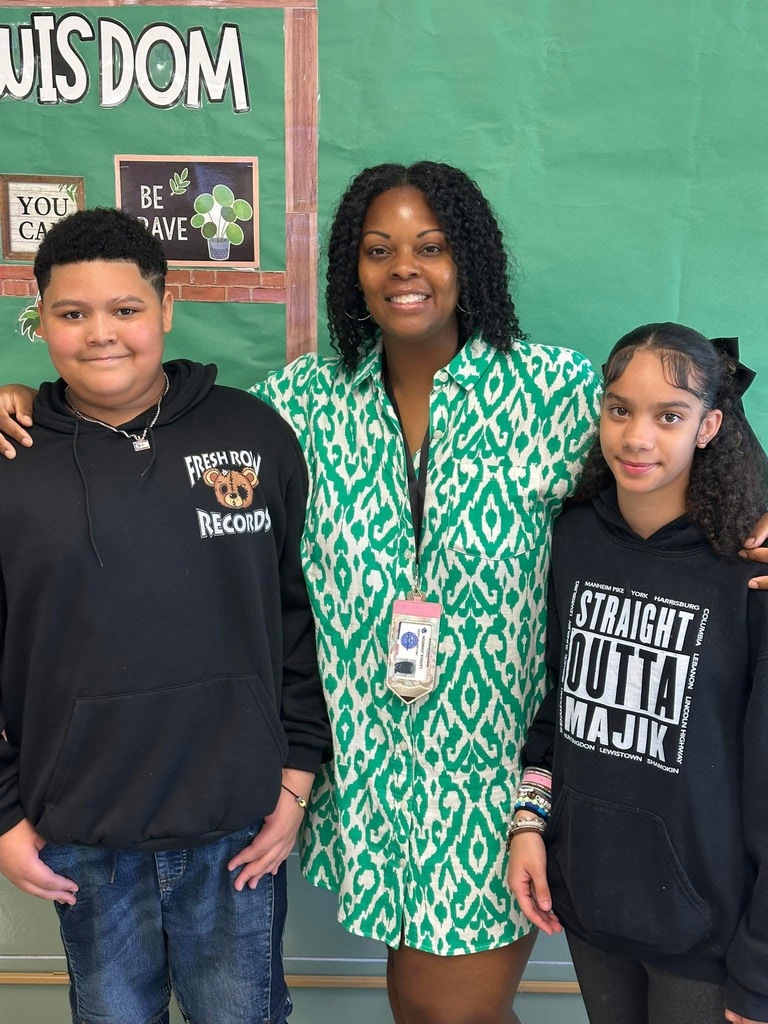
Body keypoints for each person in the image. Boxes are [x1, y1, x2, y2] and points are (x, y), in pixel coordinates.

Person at [2, 166, 768, 1024]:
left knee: (447, 1010)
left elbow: (668, 426)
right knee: (420, 1006)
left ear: (467, 259)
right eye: (379, 250)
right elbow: (163, 424)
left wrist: (755, 510)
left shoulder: (552, 391)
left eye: (431, 247)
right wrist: (39, 407)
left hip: (496, 780)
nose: (405, 267)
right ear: (352, 271)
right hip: (371, 777)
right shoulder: (301, 403)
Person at [0, 207, 331, 1024]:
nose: (100, 334)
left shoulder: (253, 434)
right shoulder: (11, 459)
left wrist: (296, 780)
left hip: (237, 828)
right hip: (82, 836)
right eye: (72, 313)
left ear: (166, 308)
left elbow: (302, 616)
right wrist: (3, 813)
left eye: (126, 309)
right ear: (39, 319)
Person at [507, 323, 768, 1024]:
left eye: (670, 416)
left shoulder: (748, 575)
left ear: (710, 426)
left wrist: (760, 969)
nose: (637, 437)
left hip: (708, 938)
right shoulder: (573, 538)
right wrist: (529, 823)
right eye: (620, 409)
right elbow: (557, 705)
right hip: (592, 905)